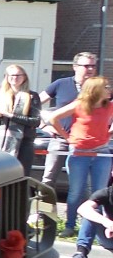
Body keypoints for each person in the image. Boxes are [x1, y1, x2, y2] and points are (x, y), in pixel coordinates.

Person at [48, 76, 113, 247]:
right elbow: (53, 117)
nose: (109, 89)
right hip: (79, 152)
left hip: (102, 153)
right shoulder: (79, 104)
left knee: (99, 193)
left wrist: (109, 133)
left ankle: (99, 231)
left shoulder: (109, 106)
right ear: (96, 90)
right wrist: (66, 137)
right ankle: (70, 226)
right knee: (76, 192)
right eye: (106, 87)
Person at [41, 52, 98, 209]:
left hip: (84, 143)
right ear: (75, 67)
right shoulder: (61, 84)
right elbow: (35, 102)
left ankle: (83, 217)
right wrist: (44, 124)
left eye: (93, 66)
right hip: (60, 139)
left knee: (83, 183)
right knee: (48, 178)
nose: (90, 69)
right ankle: (44, 215)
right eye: (86, 66)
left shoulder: (98, 87)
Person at [0, 64, 39, 175]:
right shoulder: (2, 96)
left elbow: (35, 121)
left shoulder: (32, 96)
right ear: (6, 77)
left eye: (18, 75)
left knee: (21, 176)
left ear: (24, 77)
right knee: (1, 175)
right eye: (11, 75)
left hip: (24, 143)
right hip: (3, 142)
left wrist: (10, 115)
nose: (14, 78)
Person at [70, 185, 113, 258]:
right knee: (92, 213)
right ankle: (81, 253)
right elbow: (83, 209)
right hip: (109, 237)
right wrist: (107, 222)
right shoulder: (106, 193)